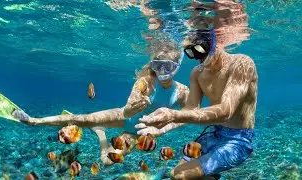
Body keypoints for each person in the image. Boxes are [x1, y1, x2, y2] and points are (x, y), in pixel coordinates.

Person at [12, 41, 190, 166]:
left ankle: (100, 133)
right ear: (152, 65)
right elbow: (127, 112)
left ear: (177, 67)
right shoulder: (144, 82)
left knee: (107, 161)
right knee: (81, 118)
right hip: (123, 117)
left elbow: (188, 116)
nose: (162, 72)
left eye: (169, 67)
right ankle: (34, 120)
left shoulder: (182, 91)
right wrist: (130, 109)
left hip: (139, 133)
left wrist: (161, 129)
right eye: (158, 65)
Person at [135, 27, 257, 179]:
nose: (197, 58)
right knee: (175, 173)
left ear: (215, 43)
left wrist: (173, 115)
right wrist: (162, 129)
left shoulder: (242, 63)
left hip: (238, 139)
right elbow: (191, 108)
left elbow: (226, 111)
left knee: (181, 176)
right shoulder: (197, 73)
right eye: (191, 53)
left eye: (200, 50)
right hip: (214, 133)